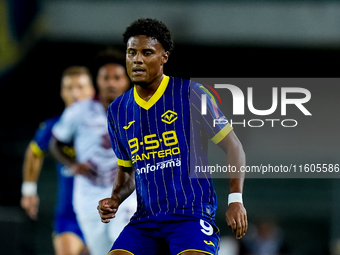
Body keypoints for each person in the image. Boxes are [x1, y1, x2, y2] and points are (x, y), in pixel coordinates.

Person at [98, 18, 248, 255]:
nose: (137, 59)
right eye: (131, 53)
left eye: (147, 52)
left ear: (164, 57)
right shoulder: (117, 110)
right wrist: (115, 198)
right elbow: (127, 170)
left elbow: (234, 148)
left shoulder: (192, 94)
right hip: (145, 220)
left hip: (190, 214)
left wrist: (236, 200)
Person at [49, 50, 136, 255]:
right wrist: (72, 164)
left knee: (124, 247)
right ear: (97, 81)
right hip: (88, 199)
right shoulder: (79, 111)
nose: (111, 83)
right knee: (100, 251)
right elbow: (55, 143)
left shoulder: (139, 112)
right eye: (106, 77)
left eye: (117, 77)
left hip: (126, 198)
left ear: (127, 81)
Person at [21, 66, 96, 255]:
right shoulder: (54, 126)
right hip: (69, 215)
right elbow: (34, 152)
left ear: (92, 91)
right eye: (69, 88)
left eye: (80, 87)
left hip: (104, 214)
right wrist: (29, 190)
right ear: (62, 93)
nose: (75, 93)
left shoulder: (110, 124)